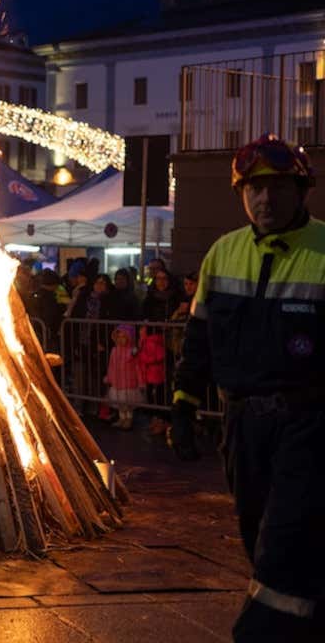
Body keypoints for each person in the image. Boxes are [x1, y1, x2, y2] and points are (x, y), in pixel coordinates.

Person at [172, 135, 325, 641]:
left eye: (277, 187)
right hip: (242, 425)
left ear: (301, 190)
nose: (265, 200)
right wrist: (183, 405)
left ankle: (260, 634)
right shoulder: (222, 254)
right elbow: (198, 340)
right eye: (254, 189)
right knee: (256, 533)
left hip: (309, 425)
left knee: (284, 538)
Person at [104, 324, 142, 429]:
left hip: (129, 382)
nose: (121, 339)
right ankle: (121, 419)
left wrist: (141, 381)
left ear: (129, 338)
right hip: (117, 382)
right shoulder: (114, 351)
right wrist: (109, 377)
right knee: (120, 403)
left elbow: (137, 367)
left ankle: (128, 420)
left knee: (127, 404)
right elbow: (111, 365)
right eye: (119, 337)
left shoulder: (132, 352)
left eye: (124, 337)